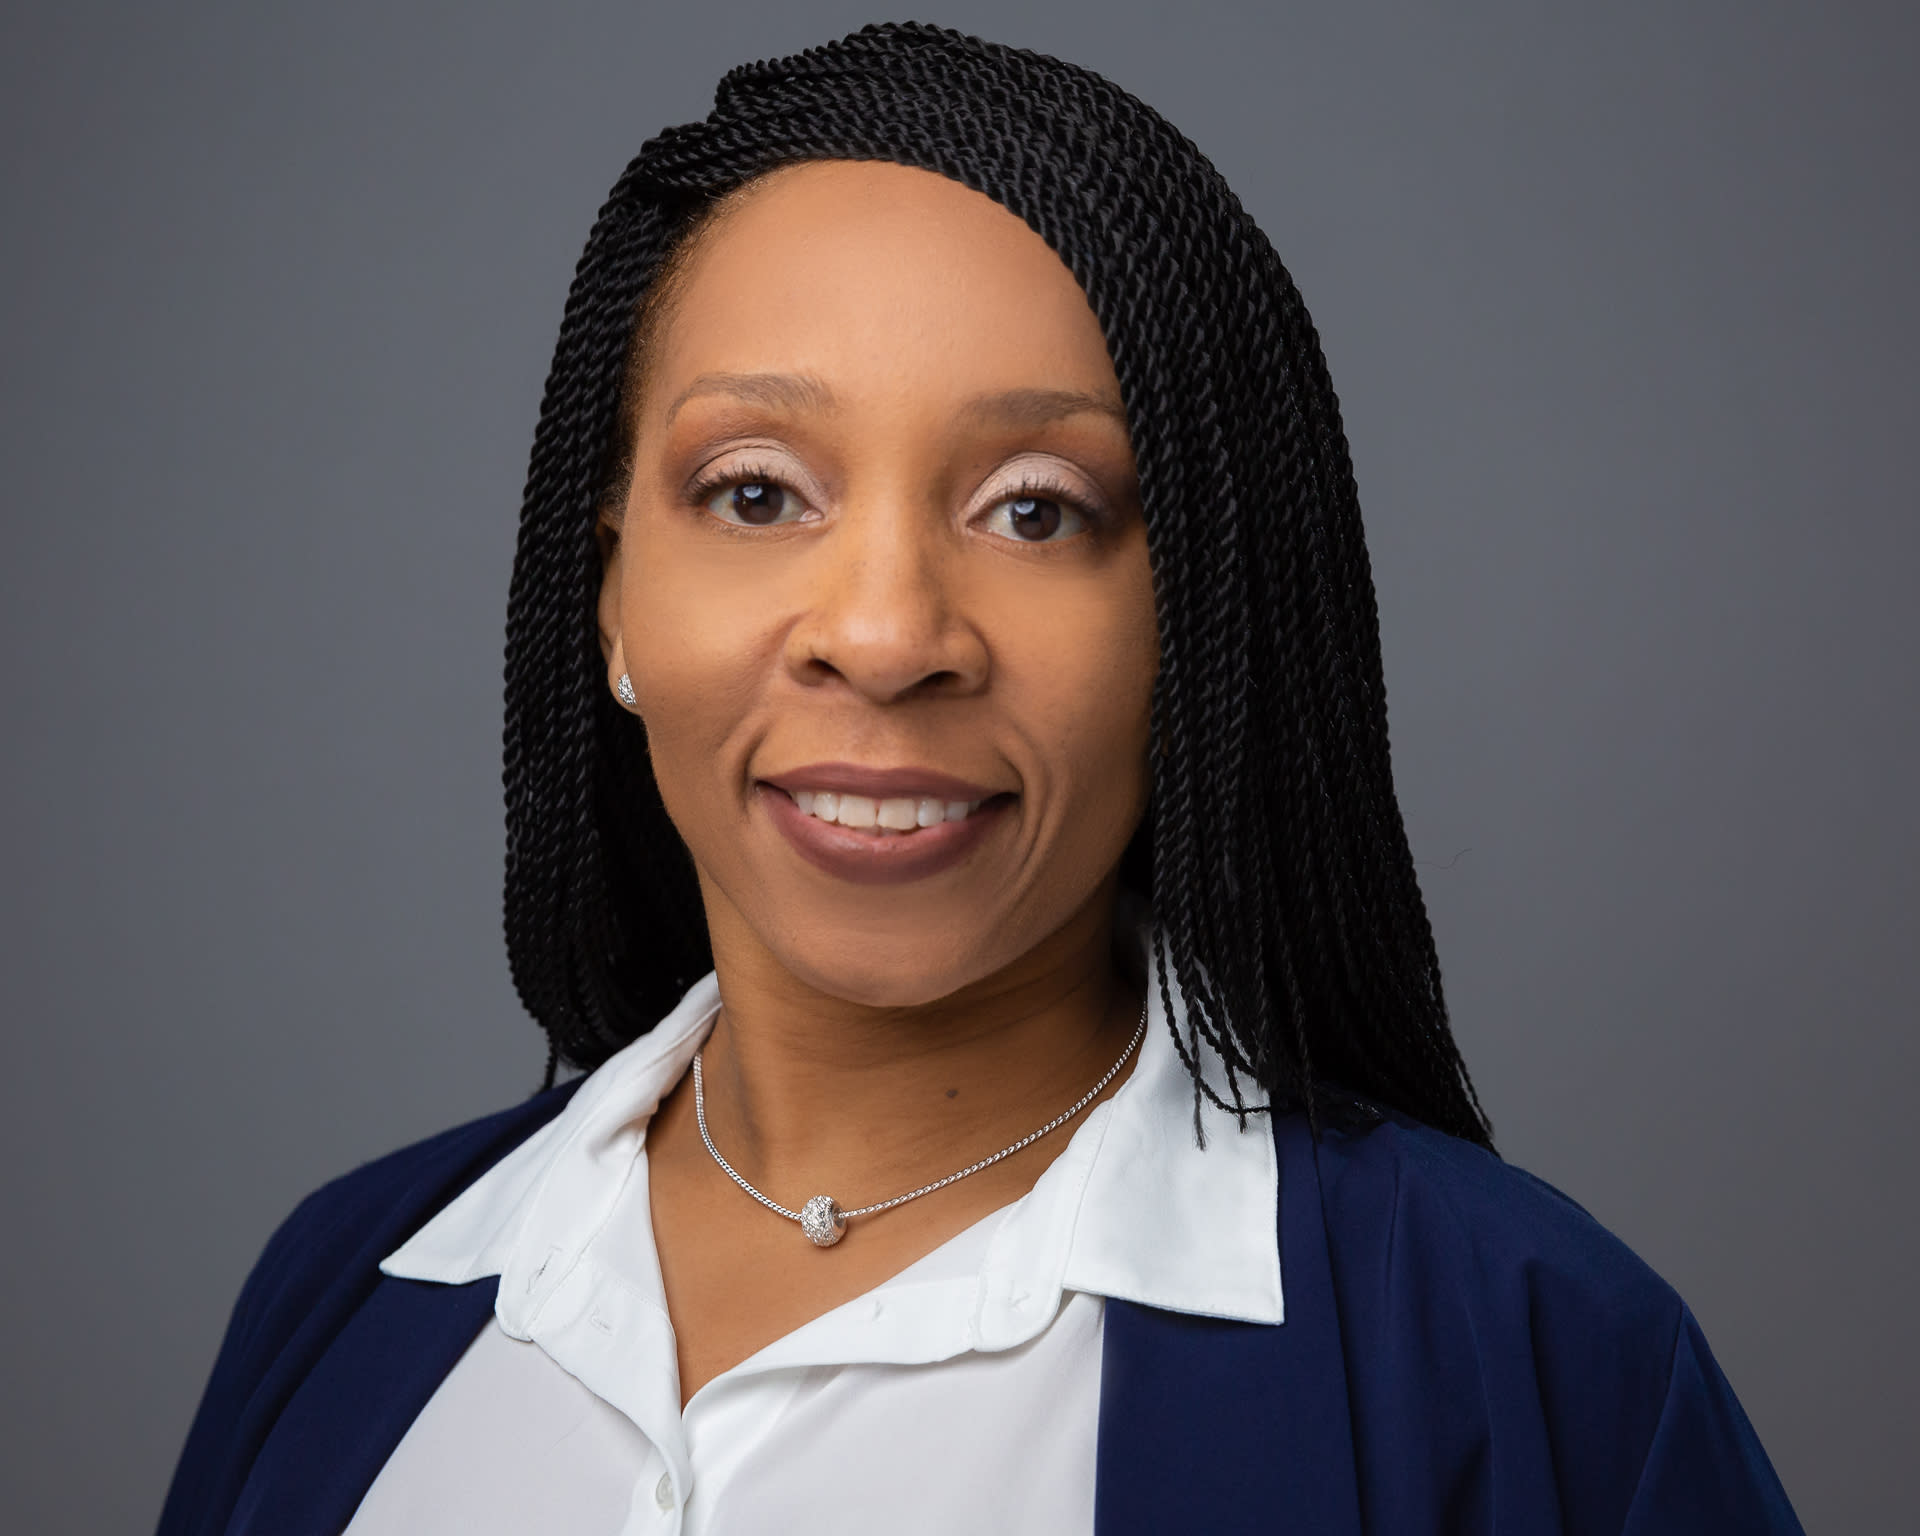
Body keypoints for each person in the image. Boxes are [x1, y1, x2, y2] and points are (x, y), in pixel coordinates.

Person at [157, 21, 1803, 1536]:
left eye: (1035, 509)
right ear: (611, 598)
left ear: (1198, 624)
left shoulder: (1532, 1361)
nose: (886, 639)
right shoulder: (347, 1294)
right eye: (756, 494)